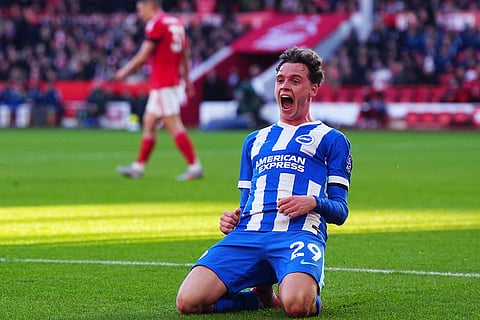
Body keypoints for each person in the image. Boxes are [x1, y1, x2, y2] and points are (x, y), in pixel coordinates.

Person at [176, 46, 353, 317]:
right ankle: (259, 299)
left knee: (297, 306)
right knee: (188, 302)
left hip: (298, 234)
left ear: (313, 89)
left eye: (295, 81)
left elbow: (340, 211)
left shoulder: (332, 139)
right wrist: (233, 219)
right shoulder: (254, 140)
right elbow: (244, 204)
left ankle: (301, 289)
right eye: (281, 80)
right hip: (247, 235)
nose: (285, 86)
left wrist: (313, 202)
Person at [115, 0, 202, 181]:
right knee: (149, 122)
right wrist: (186, 80)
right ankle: (138, 168)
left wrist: (125, 71)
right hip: (168, 83)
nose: (140, 14)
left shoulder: (156, 23)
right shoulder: (175, 23)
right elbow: (185, 54)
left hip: (164, 84)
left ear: (150, 5)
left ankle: (194, 166)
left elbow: (144, 53)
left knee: (173, 125)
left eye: (141, 9)